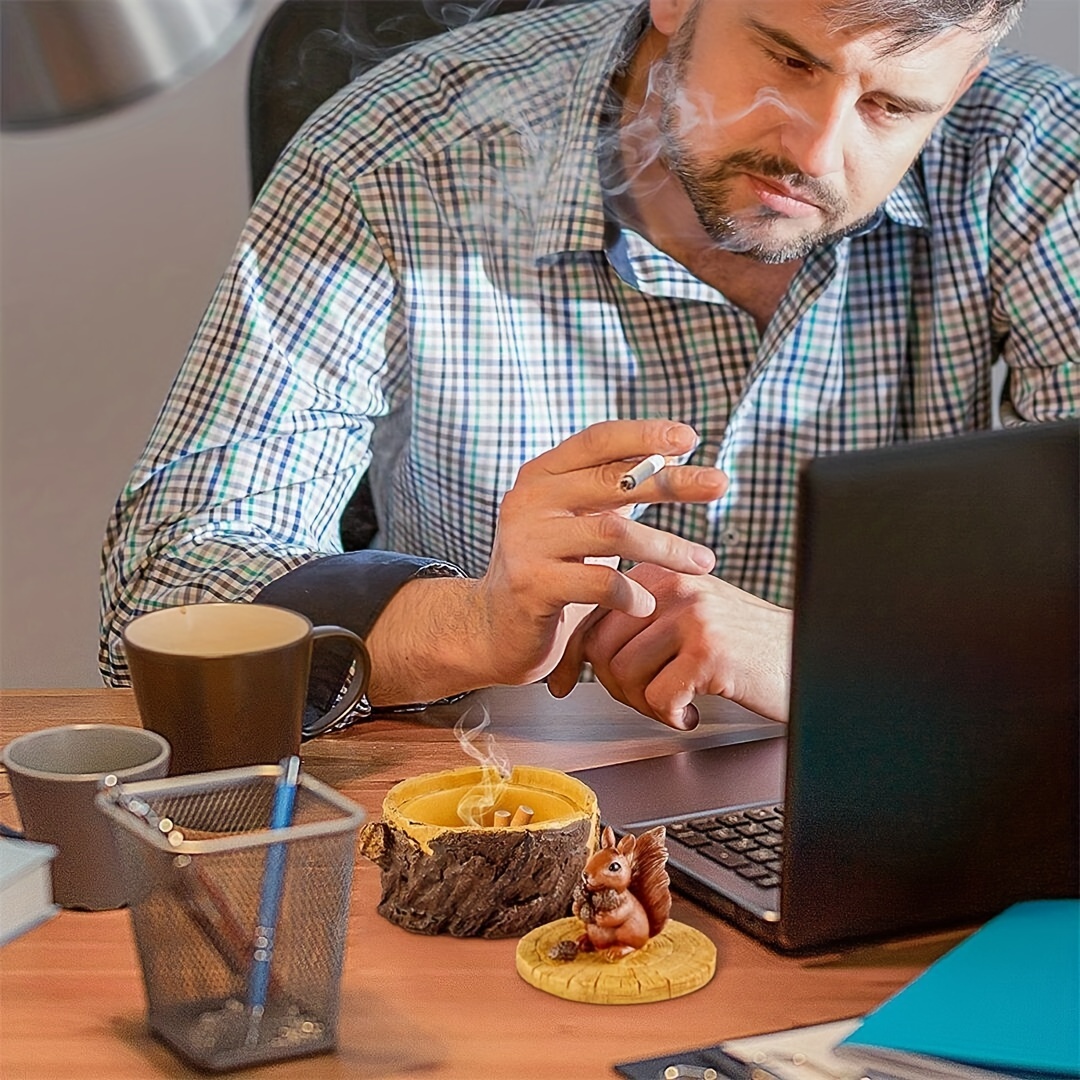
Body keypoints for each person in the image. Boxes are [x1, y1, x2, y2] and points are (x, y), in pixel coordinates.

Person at [100, 0, 1079, 734]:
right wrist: (467, 621)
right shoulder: (399, 155)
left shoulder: (1035, 165)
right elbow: (160, 593)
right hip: (480, 821)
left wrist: (834, 668)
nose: (814, 150)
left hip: (879, 811)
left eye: (891, 107)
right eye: (787, 57)